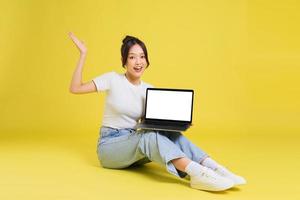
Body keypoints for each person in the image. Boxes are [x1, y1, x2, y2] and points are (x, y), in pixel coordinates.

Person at [68, 32, 246, 192]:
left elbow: (150, 123)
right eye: (132, 57)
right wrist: (83, 54)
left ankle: (216, 169)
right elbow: (76, 88)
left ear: (147, 60)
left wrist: (174, 122)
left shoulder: (149, 89)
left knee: (169, 133)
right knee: (149, 138)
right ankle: (199, 174)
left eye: (142, 57)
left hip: (134, 147)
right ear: (124, 61)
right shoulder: (112, 79)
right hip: (110, 148)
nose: (138, 62)